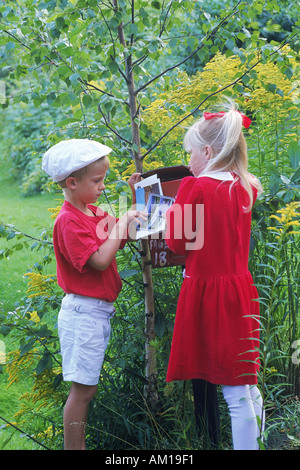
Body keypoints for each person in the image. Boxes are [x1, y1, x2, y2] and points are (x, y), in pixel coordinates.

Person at [165, 101, 265, 450]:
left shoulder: (198, 188)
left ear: (207, 151)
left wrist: (169, 213)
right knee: (246, 384)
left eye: (189, 153)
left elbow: (177, 240)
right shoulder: (244, 185)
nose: (188, 160)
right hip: (240, 290)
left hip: (210, 295)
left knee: (234, 393)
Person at [42, 139, 145, 450]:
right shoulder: (69, 221)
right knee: (82, 392)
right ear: (72, 183)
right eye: (97, 181)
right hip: (82, 314)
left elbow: (120, 239)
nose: (102, 187)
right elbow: (101, 260)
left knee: (87, 389)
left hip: (94, 313)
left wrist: (134, 198)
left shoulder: (90, 211)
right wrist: (124, 220)